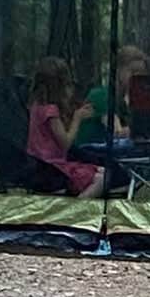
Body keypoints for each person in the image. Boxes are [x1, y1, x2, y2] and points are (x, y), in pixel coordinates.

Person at [27, 58, 106, 198]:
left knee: (101, 170)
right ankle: (74, 209)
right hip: (53, 169)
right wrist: (77, 118)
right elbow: (65, 144)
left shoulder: (36, 106)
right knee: (102, 179)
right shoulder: (51, 111)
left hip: (39, 167)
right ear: (59, 86)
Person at [73, 44, 147, 150]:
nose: (137, 76)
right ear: (117, 70)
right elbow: (117, 132)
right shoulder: (101, 95)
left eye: (141, 73)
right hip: (87, 155)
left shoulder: (125, 100)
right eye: (133, 71)